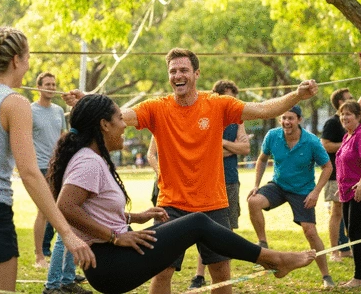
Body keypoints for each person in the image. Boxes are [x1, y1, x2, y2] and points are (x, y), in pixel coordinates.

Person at [63, 47, 318, 294]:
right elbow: (118, 116)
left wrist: (296, 95)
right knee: (162, 271)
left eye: (184, 70)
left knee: (220, 272)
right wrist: (88, 101)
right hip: (171, 205)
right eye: (173, 71)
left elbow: (263, 109)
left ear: (196, 74)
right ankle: (272, 259)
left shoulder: (218, 104)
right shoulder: (156, 108)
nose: (178, 76)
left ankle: (271, 260)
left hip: (213, 203)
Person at [0, 27, 95, 294]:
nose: (28, 65)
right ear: (15, 60)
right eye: (27, 57)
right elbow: (30, 173)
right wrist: (67, 233)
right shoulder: (15, 103)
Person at [247, 105, 335, 289]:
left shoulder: (311, 141)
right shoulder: (272, 135)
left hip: (303, 190)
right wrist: (256, 184)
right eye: (284, 118)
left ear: (299, 120)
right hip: (278, 185)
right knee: (253, 201)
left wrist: (316, 192)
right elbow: (262, 159)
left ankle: (326, 276)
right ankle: (263, 243)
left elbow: (328, 167)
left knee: (310, 232)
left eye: (291, 118)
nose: (286, 122)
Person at [188, 80, 251, 290]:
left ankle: (223, 278)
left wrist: (221, 143)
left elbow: (245, 148)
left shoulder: (237, 120)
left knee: (226, 231)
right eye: (226, 98)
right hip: (206, 181)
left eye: (233, 98)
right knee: (204, 228)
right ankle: (199, 275)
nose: (230, 103)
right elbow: (203, 149)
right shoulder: (204, 117)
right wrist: (229, 147)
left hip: (230, 180)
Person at [32, 72, 67, 267]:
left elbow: (62, 138)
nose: (52, 87)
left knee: (60, 209)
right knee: (43, 211)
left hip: (57, 166)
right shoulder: (30, 110)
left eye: (54, 84)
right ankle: (39, 257)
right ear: (39, 87)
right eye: (47, 84)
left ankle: (56, 254)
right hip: (39, 167)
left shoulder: (58, 111)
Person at [321, 88, 353, 262]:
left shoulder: (353, 121)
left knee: (351, 212)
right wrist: (347, 144)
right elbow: (324, 145)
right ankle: (334, 252)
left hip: (352, 175)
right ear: (340, 102)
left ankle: (347, 248)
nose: (353, 99)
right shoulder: (332, 123)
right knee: (336, 212)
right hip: (335, 175)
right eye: (349, 98)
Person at [335, 100, 361, 288]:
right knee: (351, 232)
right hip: (347, 191)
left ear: (358, 117)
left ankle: (359, 278)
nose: (345, 117)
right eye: (342, 114)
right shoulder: (348, 136)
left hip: (359, 192)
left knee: (356, 233)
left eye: (349, 114)